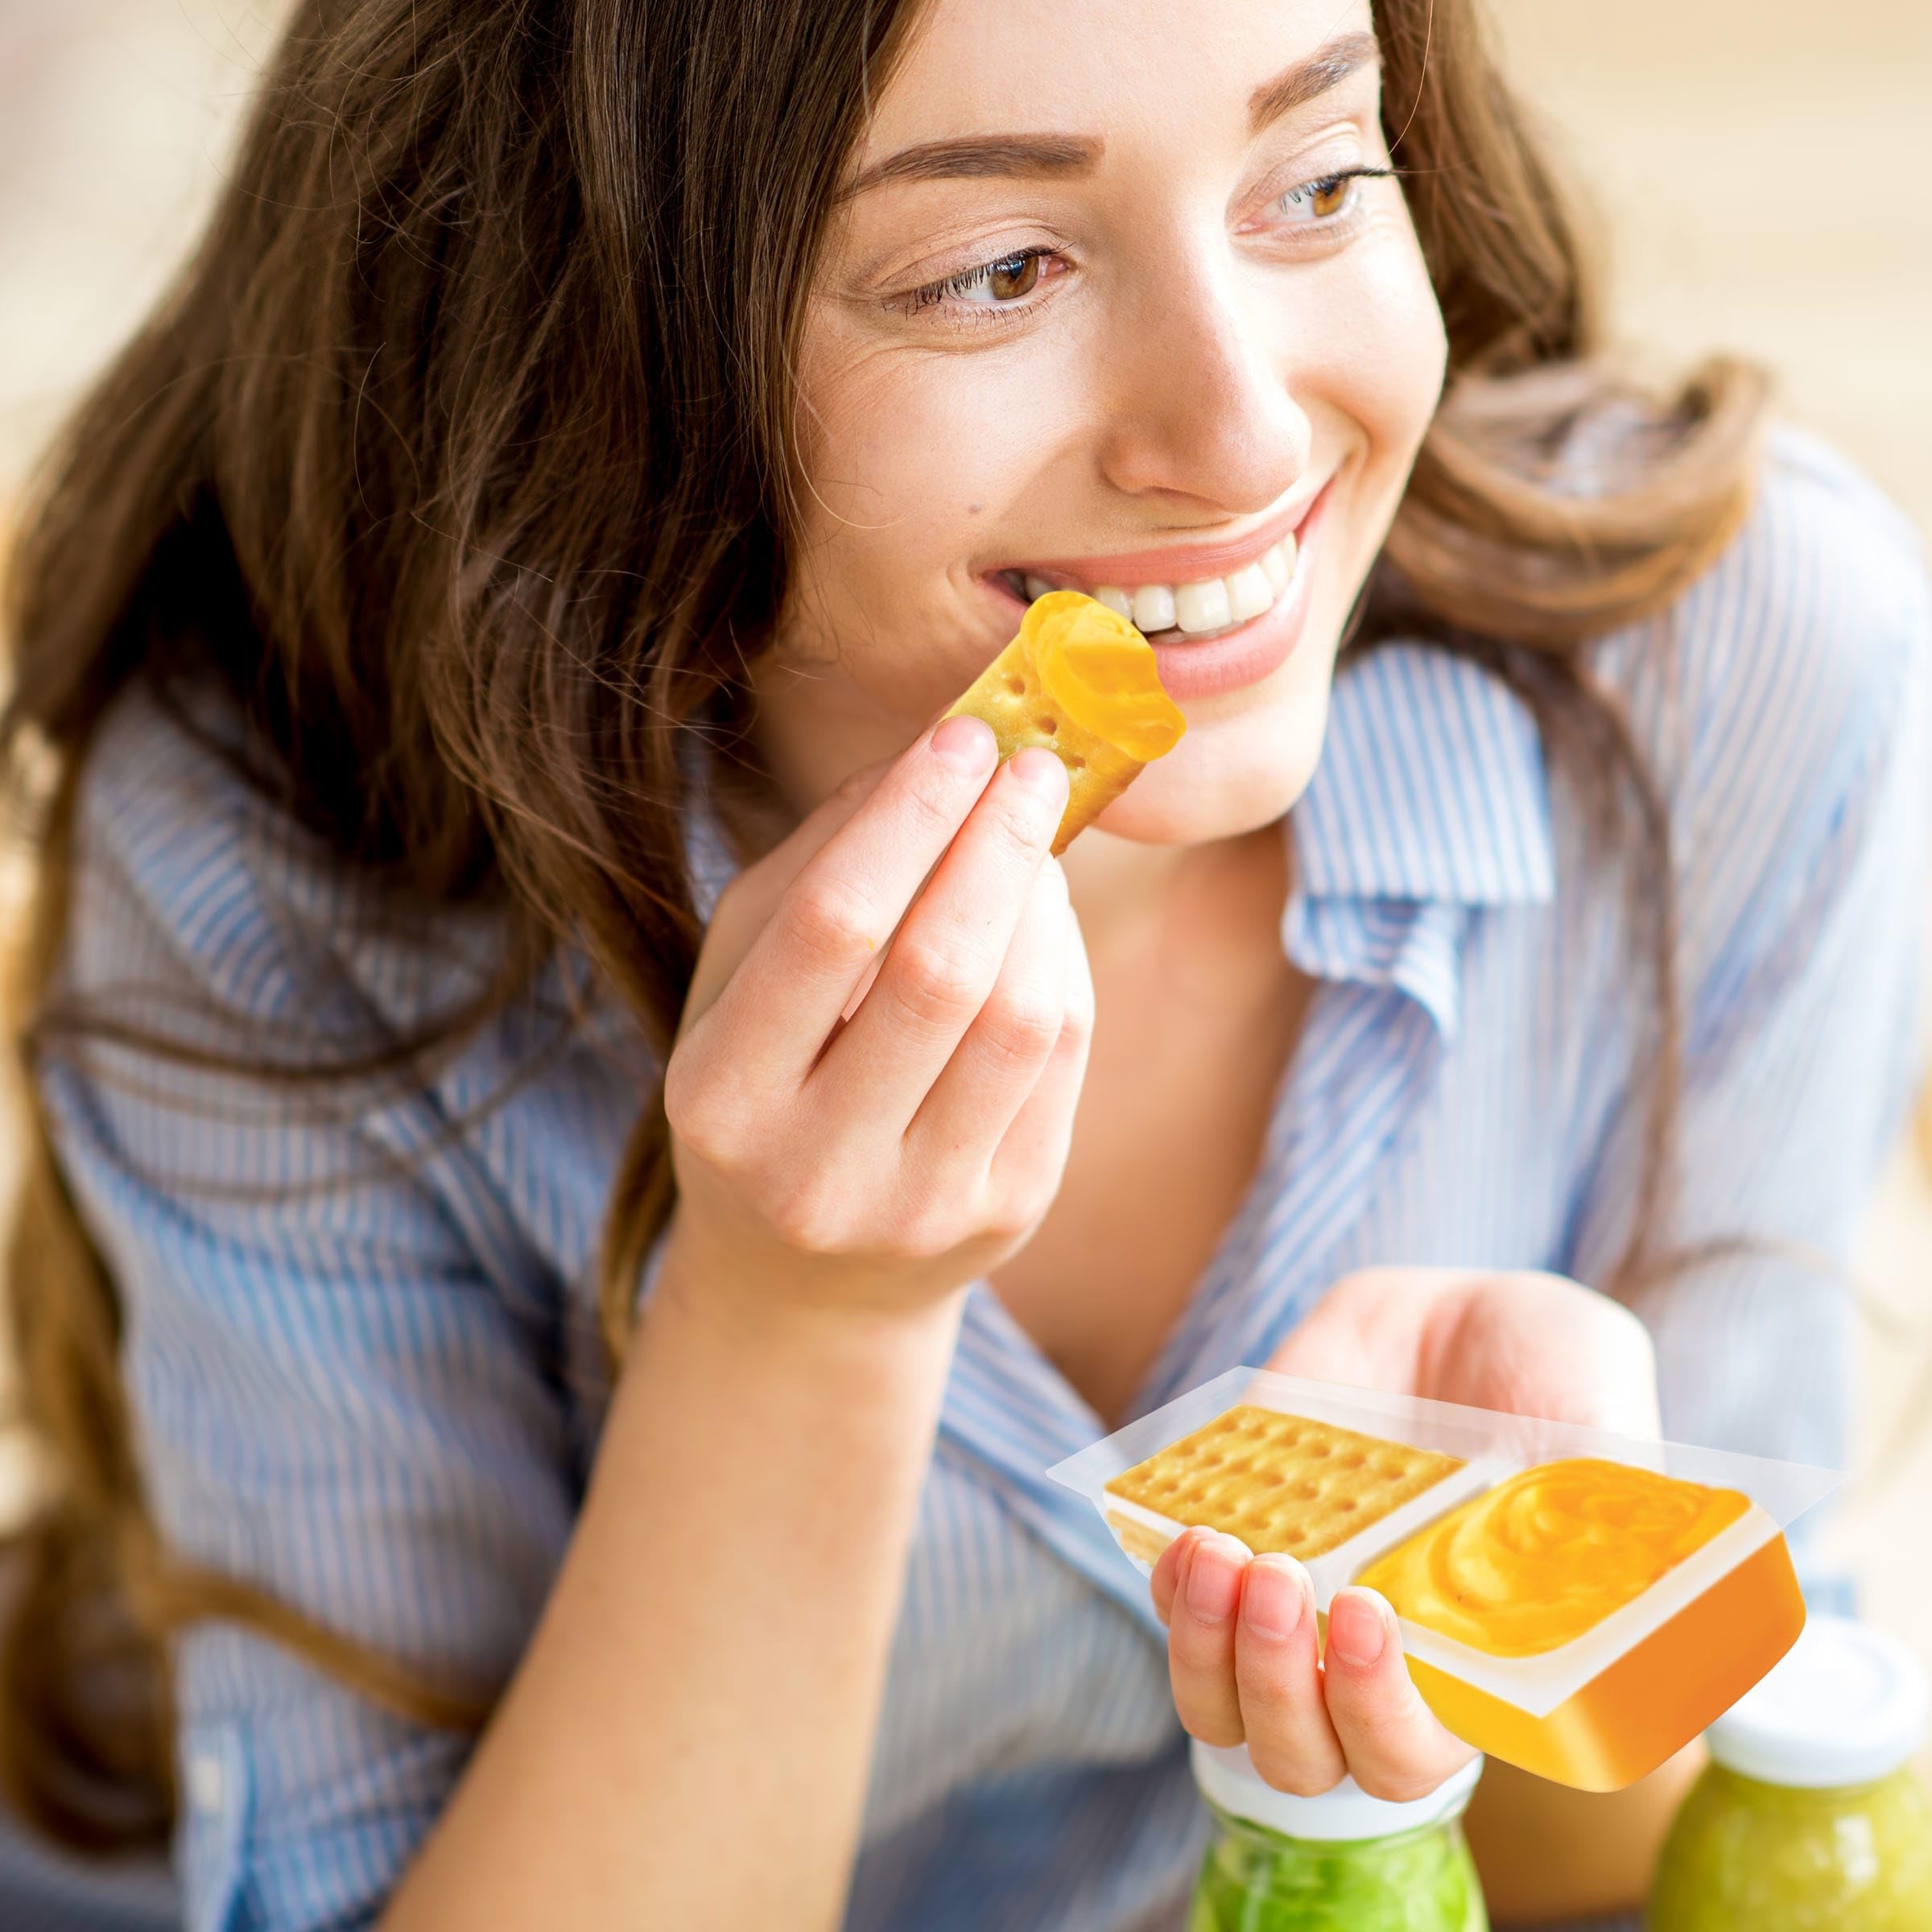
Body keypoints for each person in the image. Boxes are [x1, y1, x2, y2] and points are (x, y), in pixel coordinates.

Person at [0, 0, 1926, 1926]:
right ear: (581, 344)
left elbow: (1658, 1867)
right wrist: (794, 1323)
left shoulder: (1748, 673)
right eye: (997, 271)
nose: (1244, 431)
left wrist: (1514, 1602)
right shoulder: (264, 861)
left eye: (1322, 177)